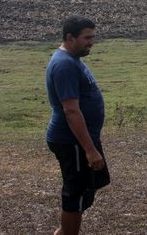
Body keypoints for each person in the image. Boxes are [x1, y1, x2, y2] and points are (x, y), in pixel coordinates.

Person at [46, 16, 110, 235]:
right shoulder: (64, 65)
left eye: (93, 37)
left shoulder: (72, 60)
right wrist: (90, 150)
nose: (91, 42)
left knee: (84, 190)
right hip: (72, 141)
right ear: (69, 37)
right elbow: (71, 110)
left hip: (80, 140)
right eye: (87, 38)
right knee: (75, 194)